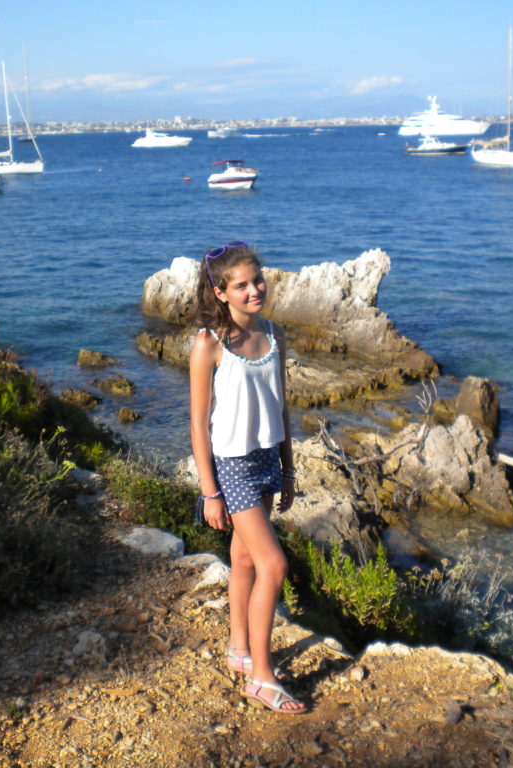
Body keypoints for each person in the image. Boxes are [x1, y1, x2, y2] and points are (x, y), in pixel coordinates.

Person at [189, 239, 306, 714]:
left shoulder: (275, 334)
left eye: (258, 280)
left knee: (244, 561)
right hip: (232, 467)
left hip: (266, 461)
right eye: (241, 285)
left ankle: (239, 649)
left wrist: (289, 469)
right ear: (220, 292)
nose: (255, 289)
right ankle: (262, 675)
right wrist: (209, 491)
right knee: (273, 565)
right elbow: (198, 422)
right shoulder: (208, 344)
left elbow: (282, 407)